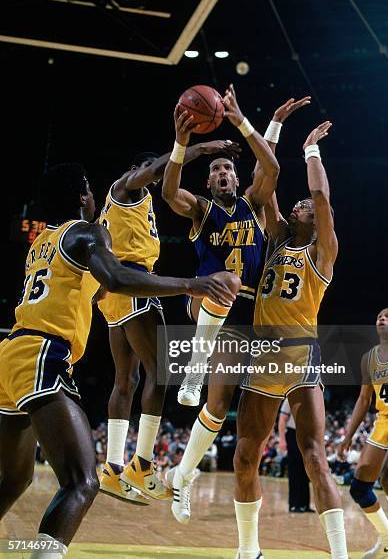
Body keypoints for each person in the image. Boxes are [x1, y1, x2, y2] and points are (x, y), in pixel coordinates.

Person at [0, 163, 236, 559]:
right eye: (89, 190)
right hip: (41, 355)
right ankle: (134, 465)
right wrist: (190, 284)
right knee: (80, 483)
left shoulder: (41, 243)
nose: (95, 197)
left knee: (15, 478)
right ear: (82, 197)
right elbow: (116, 279)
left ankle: (128, 464)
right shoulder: (89, 232)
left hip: (11, 355)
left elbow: (86, 292)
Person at [162, 85, 310, 524]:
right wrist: (182, 143)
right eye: (217, 170)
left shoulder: (254, 204)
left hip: (250, 314)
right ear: (208, 181)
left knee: (218, 405)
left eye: (229, 167)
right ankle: (193, 367)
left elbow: (272, 165)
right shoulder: (201, 210)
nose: (224, 172)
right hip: (204, 297)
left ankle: (182, 475)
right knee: (223, 281)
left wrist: (260, 122)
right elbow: (170, 191)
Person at [96, 139, 241, 503]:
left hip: (114, 293)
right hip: (133, 282)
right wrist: (198, 149)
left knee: (125, 380)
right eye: (154, 172)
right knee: (160, 372)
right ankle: (142, 465)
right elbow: (156, 170)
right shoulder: (124, 188)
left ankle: (113, 469)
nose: (159, 178)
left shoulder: (136, 205)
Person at [233, 120, 349, 559]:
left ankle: (339, 555)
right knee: (245, 455)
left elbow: (320, 197)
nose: (301, 206)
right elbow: (266, 178)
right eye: (296, 205)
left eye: (306, 208)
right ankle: (249, 550)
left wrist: (312, 152)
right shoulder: (277, 238)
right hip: (263, 355)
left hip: (300, 354)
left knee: (314, 456)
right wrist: (272, 125)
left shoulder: (322, 252)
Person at [338, 308, 388, 558]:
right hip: (383, 420)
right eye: (379, 316)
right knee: (359, 487)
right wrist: (348, 436)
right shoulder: (368, 358)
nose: (382, 318)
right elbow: (364, 399)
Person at [278, 398, 314, 512]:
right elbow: (282, 419)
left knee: (305, 471)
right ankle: (294, 504)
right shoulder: (289, 399)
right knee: (295, 469)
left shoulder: (311, 400)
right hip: (293, 434)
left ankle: (305, 504)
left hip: (307, 435)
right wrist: (282, 440)